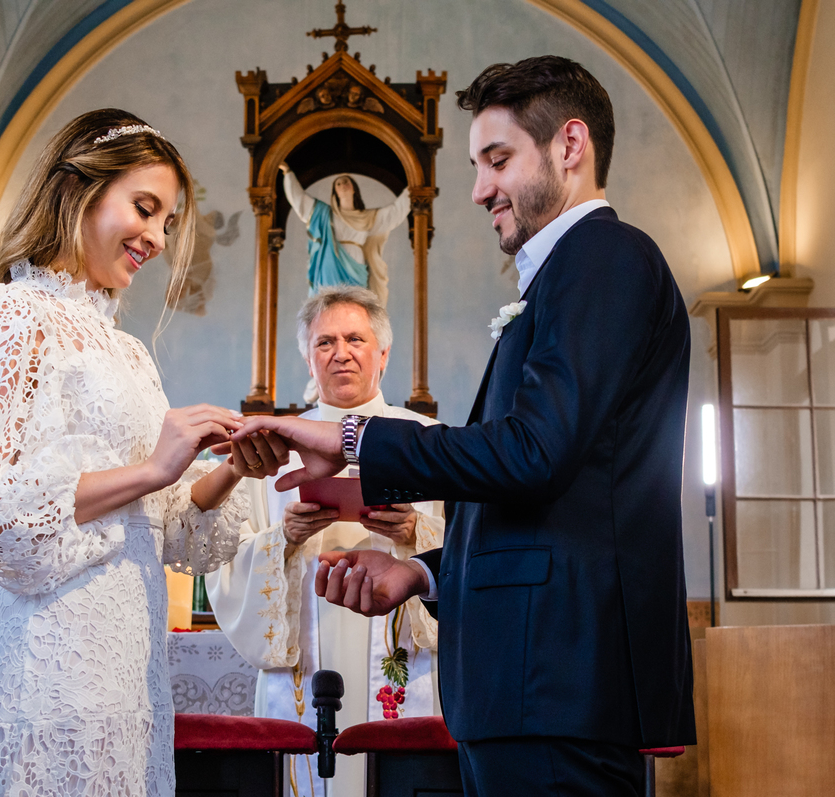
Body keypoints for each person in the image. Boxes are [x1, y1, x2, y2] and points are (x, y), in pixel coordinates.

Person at [225, 56, 697, 796]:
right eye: (477, 165)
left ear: (570, 146)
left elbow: (535, 453)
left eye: (498, 160)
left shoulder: (604, 257)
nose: (479, 190)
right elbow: (540, 502)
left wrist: (354, 438)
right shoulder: (564, 274)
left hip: (558, 679)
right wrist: (420, 571)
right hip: (530, 684)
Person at [0, 108, 285, 797]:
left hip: (127, 667)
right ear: (80, 192)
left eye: (167, 221)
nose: (155, 237)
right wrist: (154, 465)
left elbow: (166, 521)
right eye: (144, 208)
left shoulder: (129, 352)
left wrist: (230, 466)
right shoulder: (8, 315)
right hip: (44, 660)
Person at [205, 286, 445, 797]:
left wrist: (414, 533)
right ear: (308, 359)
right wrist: (282, 540)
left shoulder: (428, 439)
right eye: (324, 342)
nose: (340, 352)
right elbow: (223, 558)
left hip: (397, 645)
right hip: (307, 656)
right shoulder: (270, 449)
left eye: (355, 338)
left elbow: (474, 548)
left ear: (383, 353)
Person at [281, 163, 410, 308]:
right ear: (335, 192)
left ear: (354, 187)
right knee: (330, 307)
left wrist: (412, 188)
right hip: (330, 265)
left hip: (356, 265)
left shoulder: (367, 217)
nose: (343, 185)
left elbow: (394, 213)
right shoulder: (326, 215)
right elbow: (300, 200)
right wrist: (288, 173)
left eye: (346, 181)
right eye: (338, 184)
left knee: (356, 306)